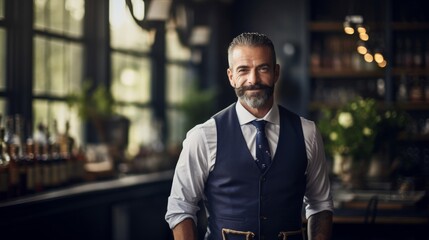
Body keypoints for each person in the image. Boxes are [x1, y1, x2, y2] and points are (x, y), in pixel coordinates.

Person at [165, 32, 333, 240]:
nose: (253, 80)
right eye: (243, 70)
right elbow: (180, 208)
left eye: (263, 69)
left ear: (276, 73)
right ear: (231, 76)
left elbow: (320, 204)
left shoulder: (308, 132)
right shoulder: (203, 136)